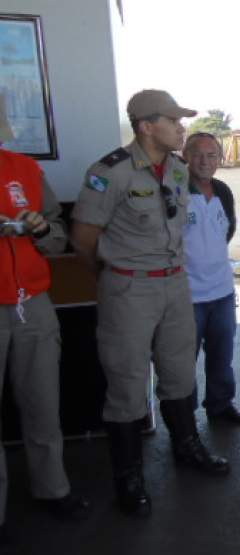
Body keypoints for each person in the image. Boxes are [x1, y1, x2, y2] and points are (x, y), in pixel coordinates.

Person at [71, 90, 229, 518]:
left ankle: (187, 447)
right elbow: (83, 238)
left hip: (176, 286)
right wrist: (113, 278)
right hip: (129, 289)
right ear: (146, 126)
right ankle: (129, 475)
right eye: (173, 120)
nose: (181, 128)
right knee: (127, 384)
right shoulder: (111, 172)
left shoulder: (176, 170)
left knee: (179, 373)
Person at [0, 96, 90, 544]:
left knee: (42, 402)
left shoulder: (25, 169)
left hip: (32, 302)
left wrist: (37, 229)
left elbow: (56, 234)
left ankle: (52, 489)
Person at [182, 132, 240, 424]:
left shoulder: (222, 190)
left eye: (212, 155)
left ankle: (221, 405)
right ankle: (183, 418)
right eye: (198, 154)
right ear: (185, 156)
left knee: (222, 355)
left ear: (220, 160)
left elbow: (228, 230)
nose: (204, 161)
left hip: (221, 290)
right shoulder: (175, 189)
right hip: (187, 295)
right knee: (183, 363)